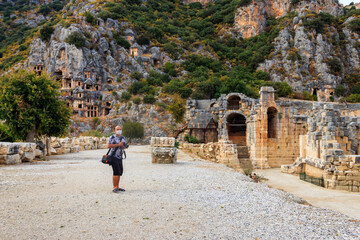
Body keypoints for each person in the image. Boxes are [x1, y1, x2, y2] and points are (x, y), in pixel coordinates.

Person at [108, 125, 128, 193]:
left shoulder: (123, 137)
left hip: (120, 157)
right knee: (116, 171)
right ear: (115, 130)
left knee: (120, 172)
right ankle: (114, 187)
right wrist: (118, 145)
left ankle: (117, 186)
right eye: (118, 129)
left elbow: (124, 147)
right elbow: (109, 145)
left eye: (120, 129)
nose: (119, 130)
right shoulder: (112, 137)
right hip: (113, 156)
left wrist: (124, 146)